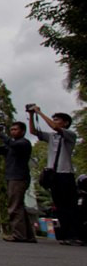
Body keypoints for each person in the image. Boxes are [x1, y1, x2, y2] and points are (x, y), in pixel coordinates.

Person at [28, 105, 81, 245]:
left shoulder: (69, 134)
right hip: (54, 175)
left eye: (57, 119)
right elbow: (33, 131)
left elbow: (55, 127)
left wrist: (40, 112)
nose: (54, 121)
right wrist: (32, 116)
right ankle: (64, 235)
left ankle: (75, 235)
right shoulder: (52, 137)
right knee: (59, 206)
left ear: (65, 123)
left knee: (70, 206)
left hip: (65, 173)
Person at [0, 122, 36, 243]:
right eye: (11, 129)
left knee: (14, 206)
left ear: (23, 131)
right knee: (19, 206)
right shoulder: (12, 145)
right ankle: (28, 235)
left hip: (19, 177)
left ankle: (19, 235)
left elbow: (12, 144)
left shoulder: (23, 143)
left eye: (15, 129)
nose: (12, 132)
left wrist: (0, 134)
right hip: (13, 176)